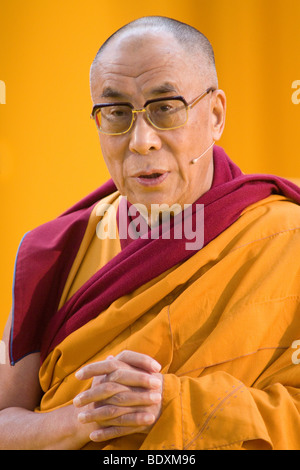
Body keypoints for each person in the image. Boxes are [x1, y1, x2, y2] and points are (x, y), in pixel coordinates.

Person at [1, 16, 300, 451]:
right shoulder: (56, 252)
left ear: (215, 115)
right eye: (117, 113)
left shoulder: (285, 239)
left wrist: (174, 405)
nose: (141, 140)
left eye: (165, 108)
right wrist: (88, 416)